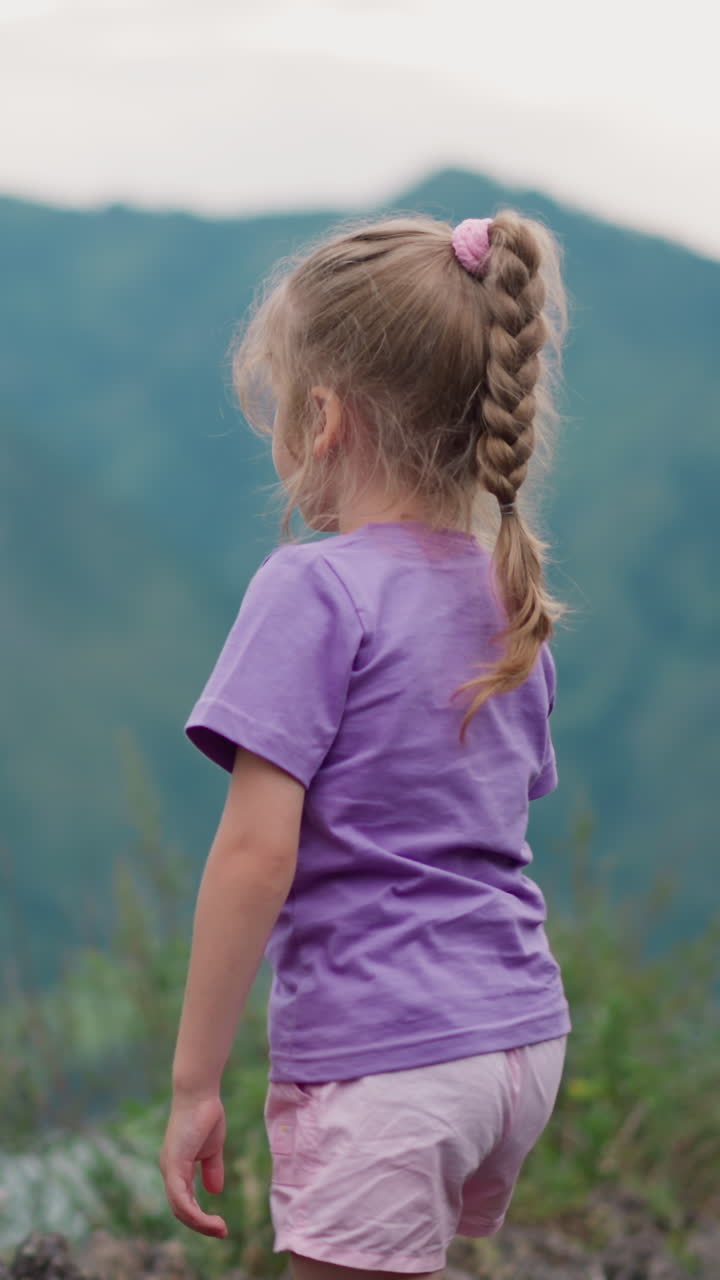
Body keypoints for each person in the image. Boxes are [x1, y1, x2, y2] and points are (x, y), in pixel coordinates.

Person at [159, 209, 573, 1280]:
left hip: (388, 1053)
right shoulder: (509, 595)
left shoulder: (312, 586)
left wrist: (193, 1083)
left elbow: (256, 854)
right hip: (519, 1036)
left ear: (326, 416)